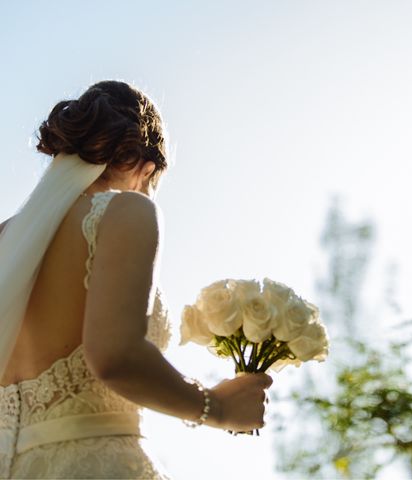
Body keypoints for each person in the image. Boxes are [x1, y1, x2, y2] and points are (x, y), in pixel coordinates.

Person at [0, 80, 272, 479]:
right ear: (146, 167)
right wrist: (217, 406)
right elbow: (115, 356)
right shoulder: (125, 211)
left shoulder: (6, 238)